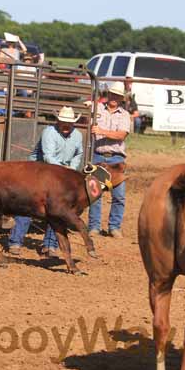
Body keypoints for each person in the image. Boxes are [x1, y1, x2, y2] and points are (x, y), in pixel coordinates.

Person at [8, 106, 84, 257]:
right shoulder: (49, 132)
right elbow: (48, 157)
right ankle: (15, 242)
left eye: (69, 123)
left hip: (59, 176)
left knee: (58, 209)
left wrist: (71, 168)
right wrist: (67, 171)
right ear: (58, 121)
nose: (66, 125)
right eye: (63, 122)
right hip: (36, 173)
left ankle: (50, 246)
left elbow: (79, 154)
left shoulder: (78, 136)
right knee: (27, 206)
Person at [88, 81, 130, 239]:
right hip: (98, 155)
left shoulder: (125, 115)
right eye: (113, 94)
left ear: (121, 98)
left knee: (119, 196)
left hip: (116, 158)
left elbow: (122, 135)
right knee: (95, 194)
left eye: (117, 96)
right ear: (109, 94)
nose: (114, 98)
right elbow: (86, 107)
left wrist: (101, 131)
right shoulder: (97, 108)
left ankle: (114, 226)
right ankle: (94, 226)